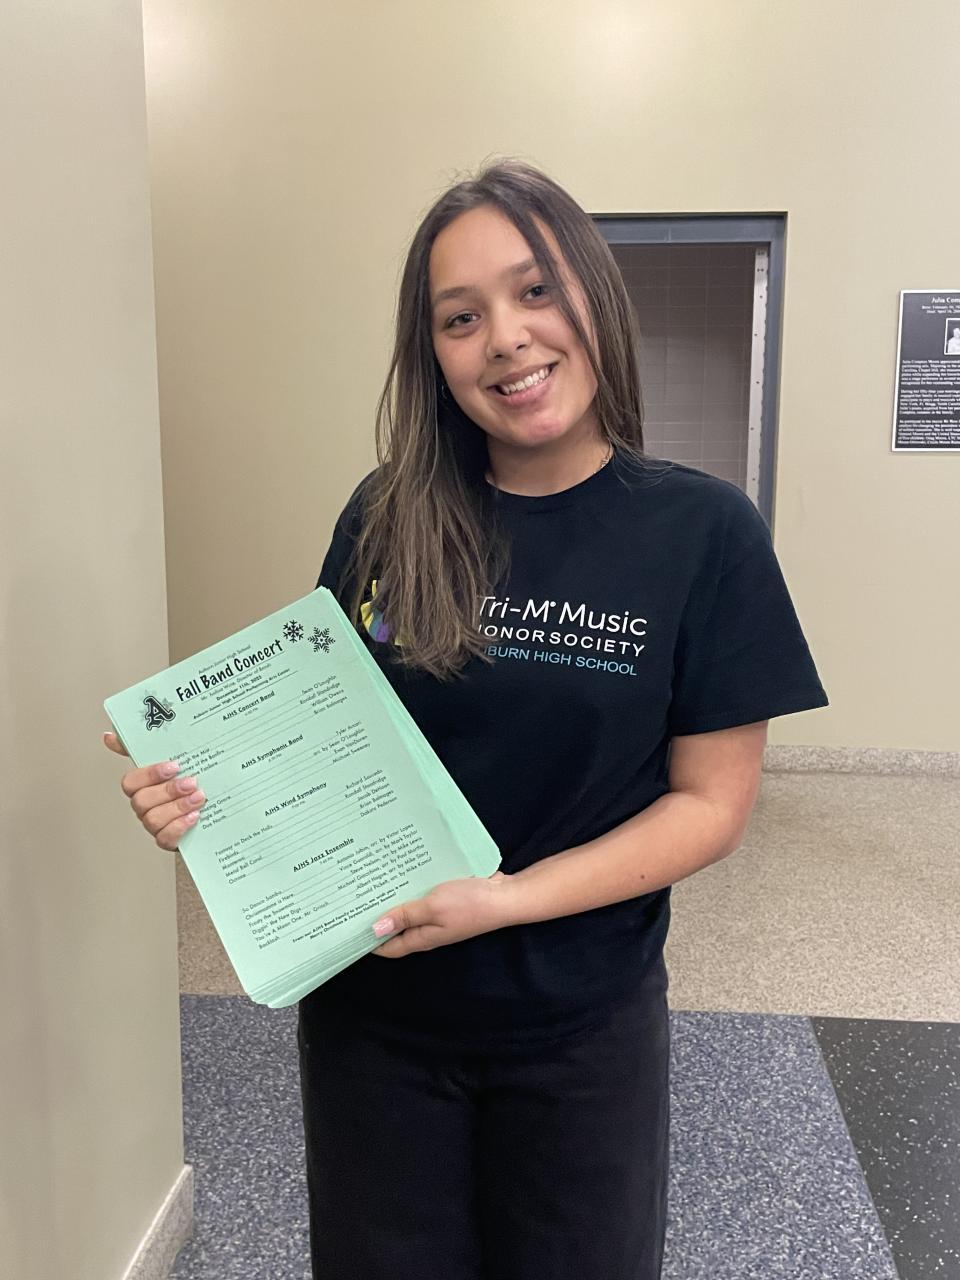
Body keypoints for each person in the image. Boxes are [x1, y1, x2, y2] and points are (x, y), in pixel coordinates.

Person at [104, 159, 829, 1280]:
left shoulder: (704, 533)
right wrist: (204, 788)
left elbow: (711, 807)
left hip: (579, 1031)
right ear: (432, 353)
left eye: (535, 291)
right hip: (376, 1024)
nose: (506, 338)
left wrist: (508, 899)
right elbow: (325, 732)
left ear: (593, 296)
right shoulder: (388, 516)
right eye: (460, 316)